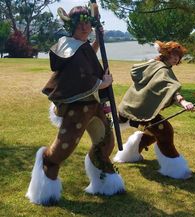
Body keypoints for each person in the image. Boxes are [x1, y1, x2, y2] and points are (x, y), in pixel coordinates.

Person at [26, 5, 125, 206]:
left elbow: (86, 55)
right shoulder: (66, 45)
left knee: (105, 143)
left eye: (88, 23)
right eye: (80, 24)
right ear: (71, 26)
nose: (84, 27)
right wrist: (101, 83)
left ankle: (104, 182)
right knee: (64, 148)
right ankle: (46, 172)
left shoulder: (82, 44)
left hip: (94, 103)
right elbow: (78, 72)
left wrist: (97, 41)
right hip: (77, 105)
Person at [114, 40, 195, 179]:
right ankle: (176, 170)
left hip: (131, 106)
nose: (176, 58)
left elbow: (137, 71)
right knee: (165, 132)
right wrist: (183, 101)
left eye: (178, 56)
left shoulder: (155, 64)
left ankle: (129, 154)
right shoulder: (162, 69)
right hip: (140, 111)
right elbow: (170, 88)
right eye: (173, 55)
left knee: (153, 131)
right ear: (166, 54)